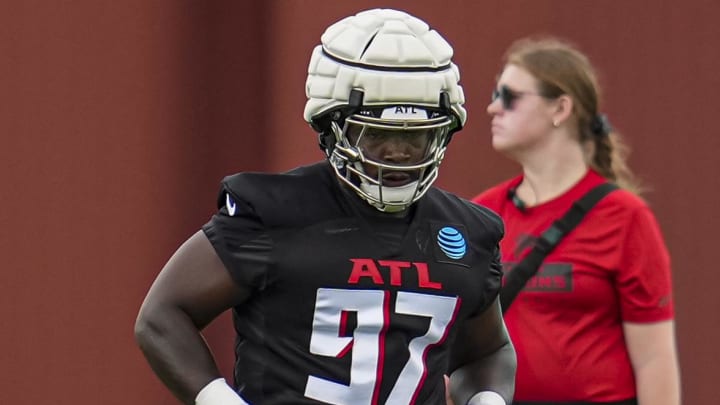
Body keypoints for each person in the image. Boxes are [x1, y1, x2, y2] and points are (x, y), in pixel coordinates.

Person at [135, 8, 516, 405]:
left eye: (418, 136)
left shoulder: (466, 232)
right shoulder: (275, 214)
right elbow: (163, 316)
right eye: (376, 135)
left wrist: (486, 400)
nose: (399, 152)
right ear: (332, 126)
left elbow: (488, 351)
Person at [472, 37, 681, 405]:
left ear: (561, 108)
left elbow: (654, 359)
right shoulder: (483, 215)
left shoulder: (625, 217)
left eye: (509, 96)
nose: (492, 108)